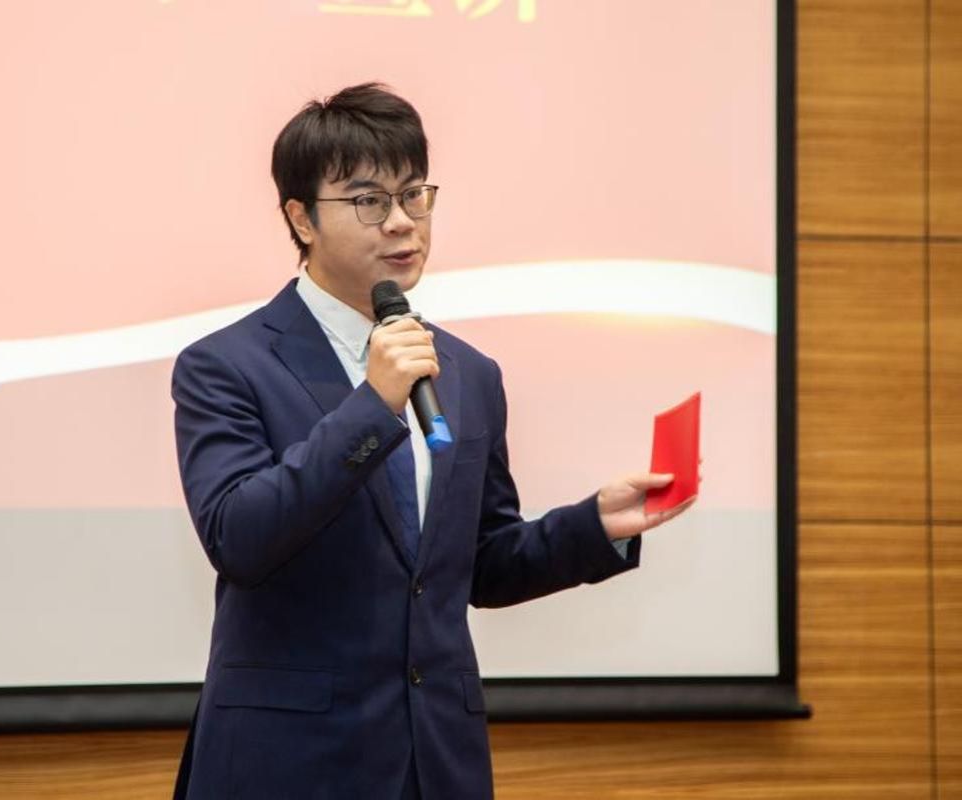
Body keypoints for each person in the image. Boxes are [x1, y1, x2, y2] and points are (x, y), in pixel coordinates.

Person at [170, 83, 695, 800]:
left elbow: (481, 564)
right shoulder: (226, 366)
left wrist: (594, 527)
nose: (401, 223)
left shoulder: (469, 373)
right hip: (288, 763)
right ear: (300, 218)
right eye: (368, 200)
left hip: (435, 761)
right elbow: (239, 537)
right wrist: (372, 404)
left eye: (415, 195)